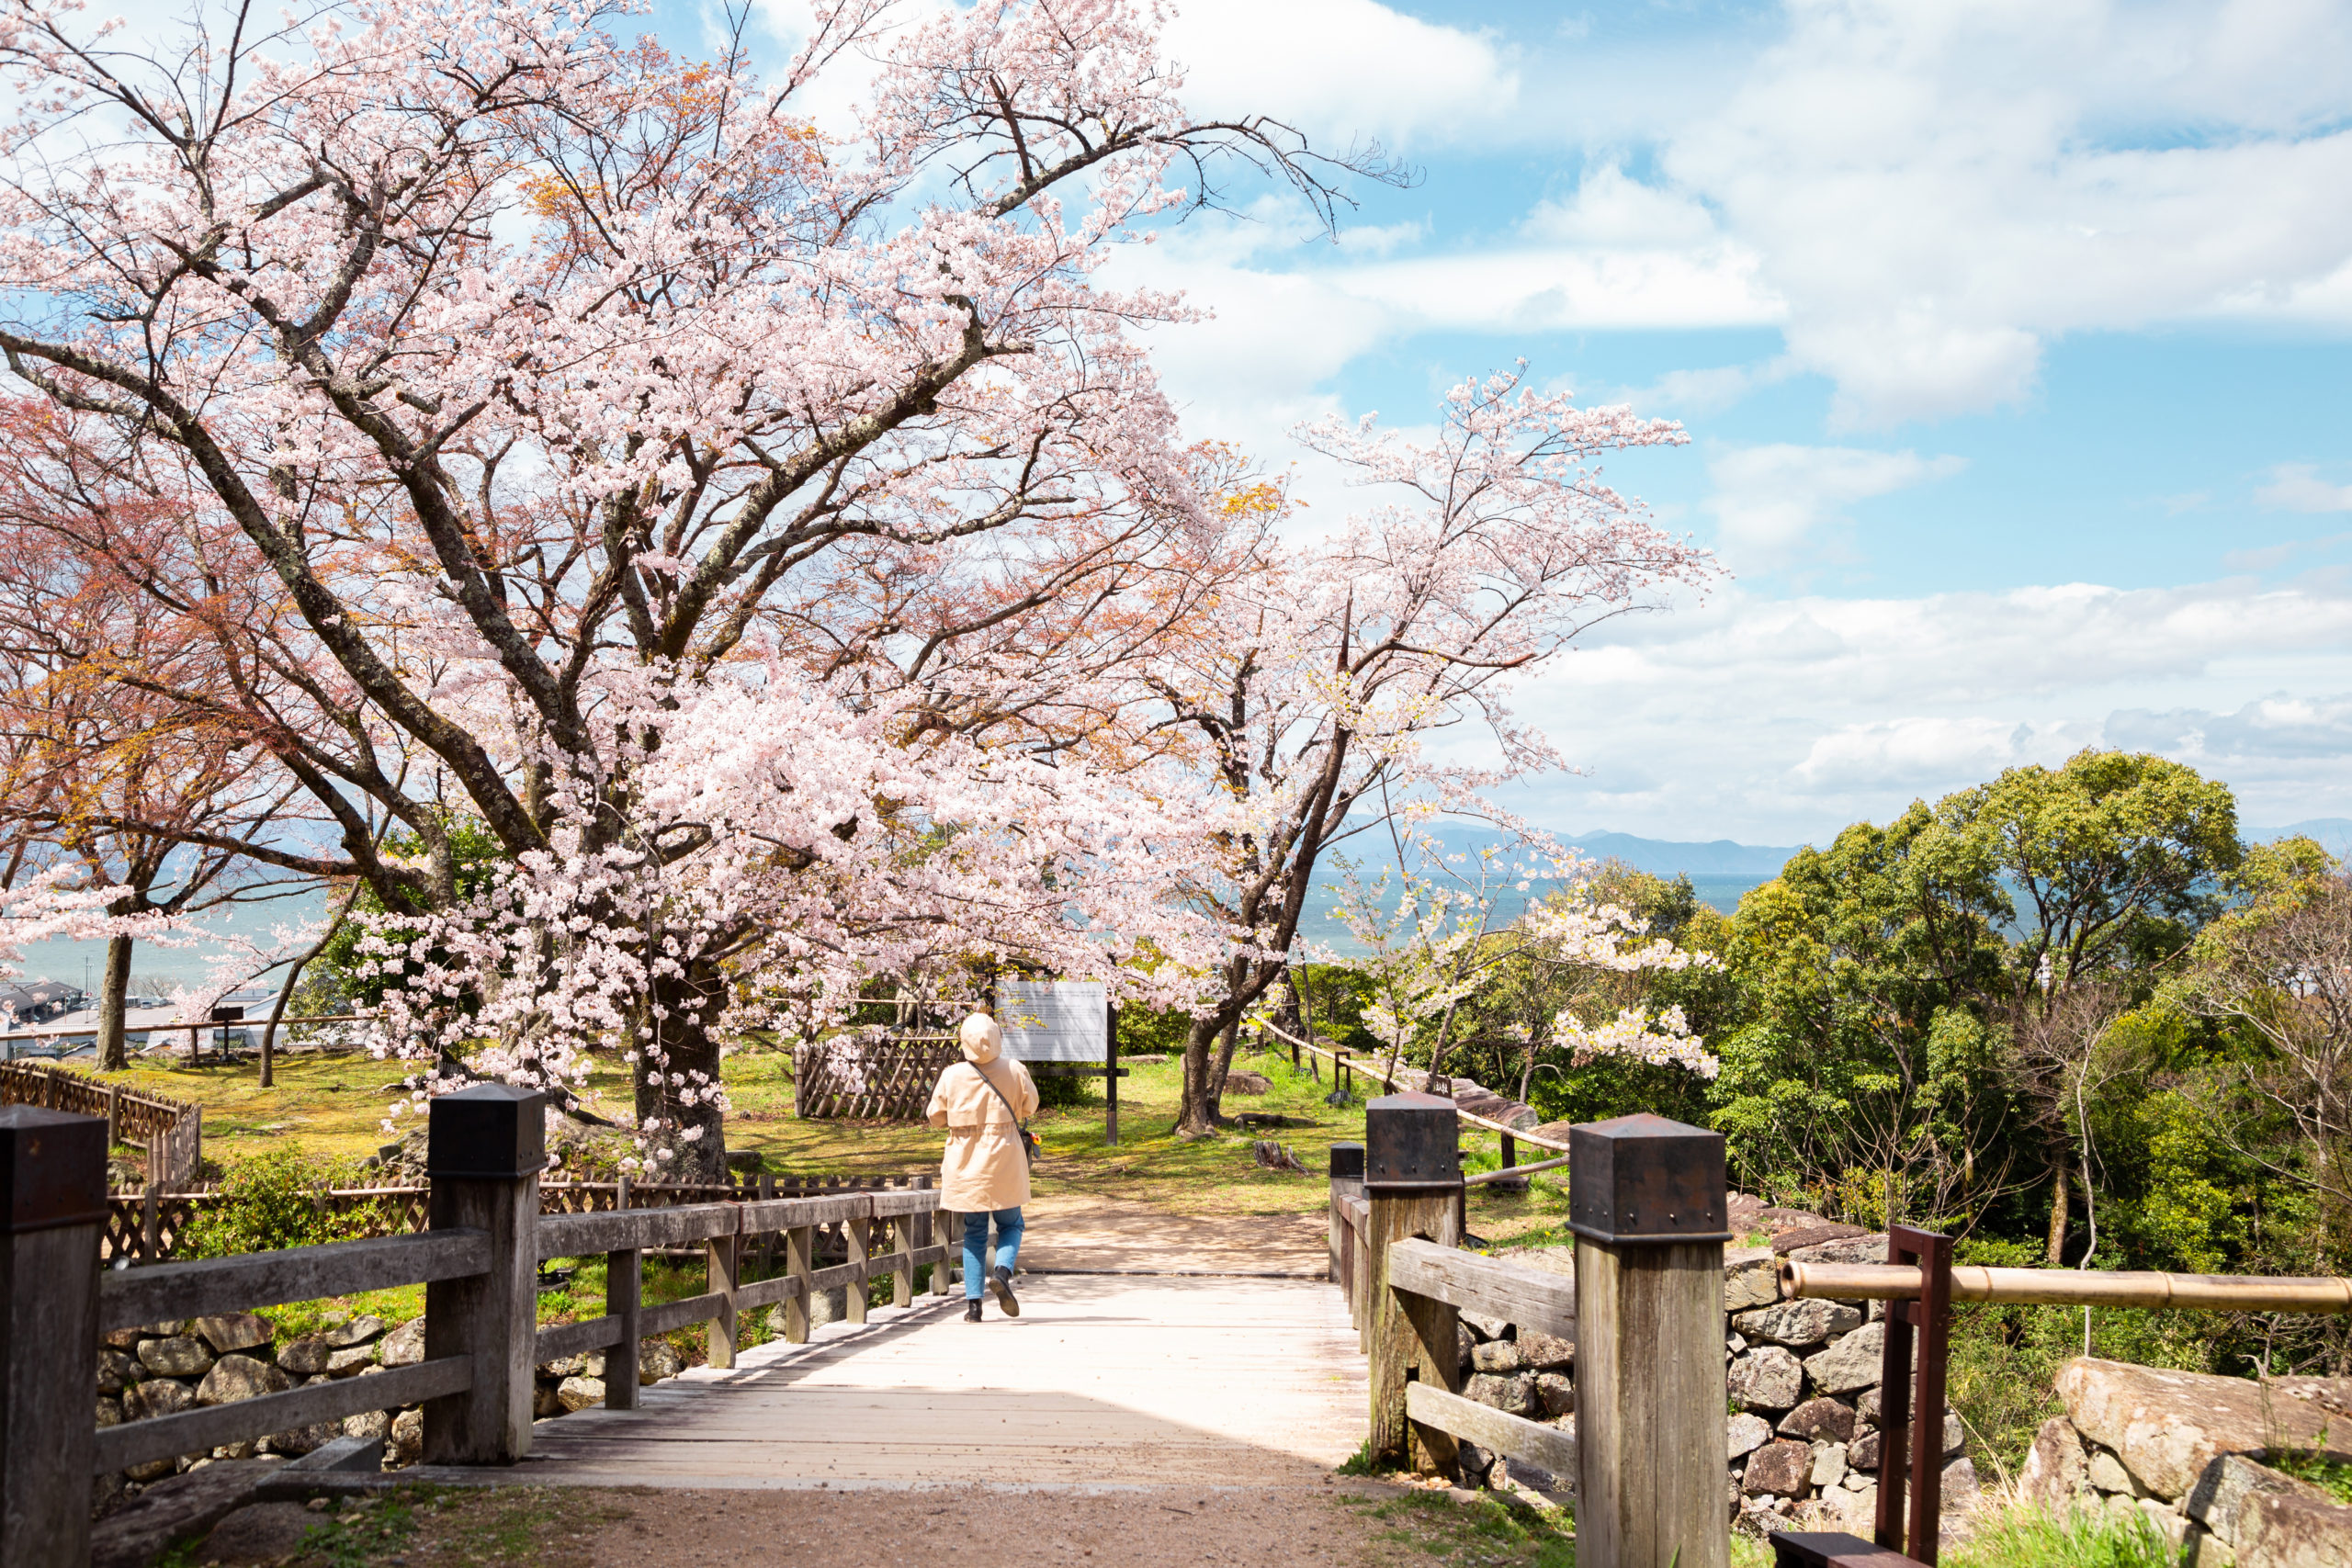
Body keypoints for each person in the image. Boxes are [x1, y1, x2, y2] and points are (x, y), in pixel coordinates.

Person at [924, 1010, 1039, 1322]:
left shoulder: (952, 1074)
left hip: (965, 1163)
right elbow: (1030, 1105)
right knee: (1011, 1224)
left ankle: (974, 1307)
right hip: (1003, 1159)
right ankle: (1001, 1272)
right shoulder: (1014, 1069)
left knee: (974, 1232)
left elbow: (934, 1116)